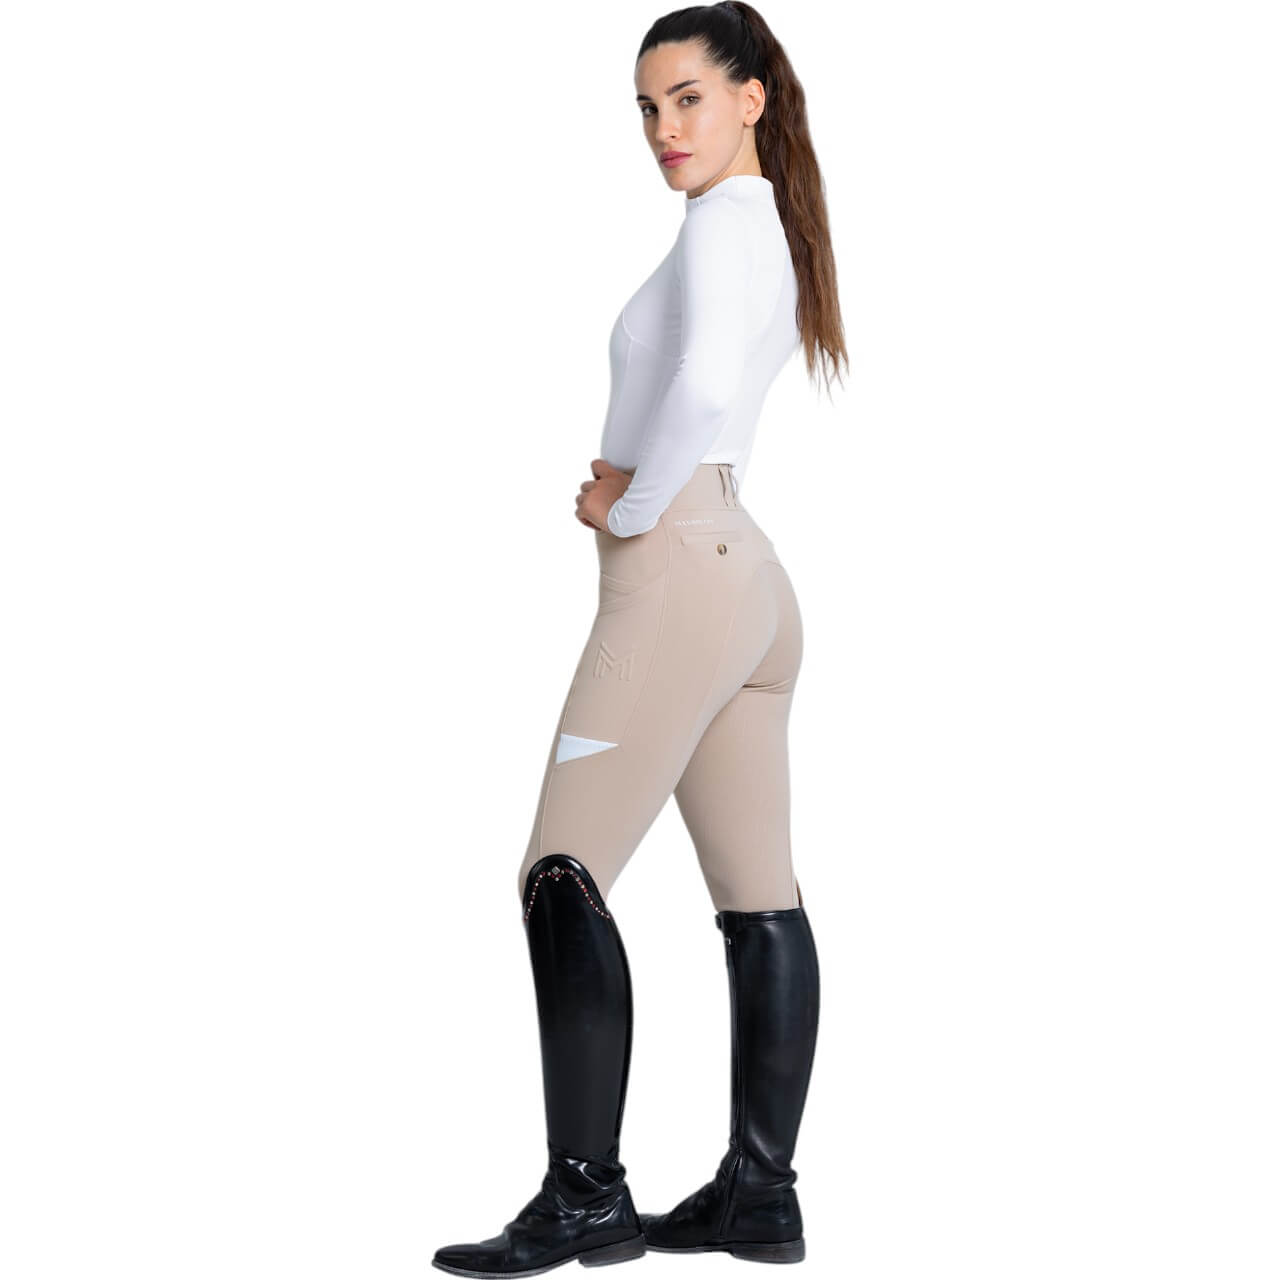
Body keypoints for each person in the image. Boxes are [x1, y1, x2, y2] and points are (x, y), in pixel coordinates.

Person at [432, 3, 847, 1274]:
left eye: (687, 98)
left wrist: (627, 505)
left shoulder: (724, 224)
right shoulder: (765, 224)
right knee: (759, 895)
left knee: (557, 872)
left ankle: (584, 1195)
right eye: (646, 108)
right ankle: (758, 1193)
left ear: (750, 98)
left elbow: (706, 386)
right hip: (747, 581)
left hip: (677, 575)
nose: (664, 128)